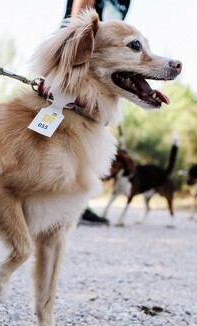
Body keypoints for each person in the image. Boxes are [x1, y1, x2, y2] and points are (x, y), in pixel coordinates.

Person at [65, 0, 131, 226]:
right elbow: (77, 30)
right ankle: (55, 200)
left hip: (104, 76)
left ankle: (78, 204)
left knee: (90, 143)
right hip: (79, 67)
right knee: (67, 137)